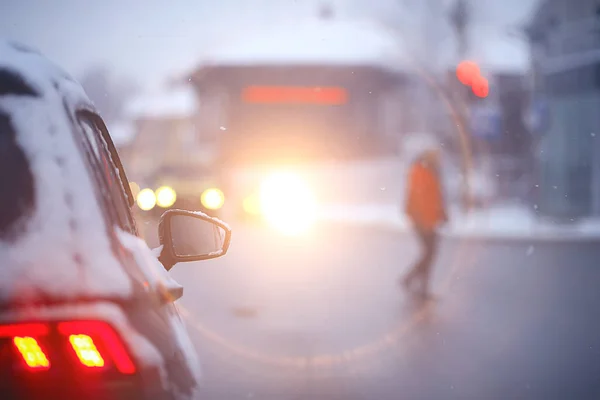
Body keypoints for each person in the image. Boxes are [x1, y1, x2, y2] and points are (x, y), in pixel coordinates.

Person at [401, 147, 448, 297]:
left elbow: (436, 197)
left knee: (429, 253)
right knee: (429, 253)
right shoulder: (420, 171)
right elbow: (419, 198)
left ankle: (414, 281)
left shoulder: (432, 172)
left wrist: (442, 213)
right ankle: (417, 284)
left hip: (429, 219)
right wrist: (422, 221)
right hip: (422, 220)